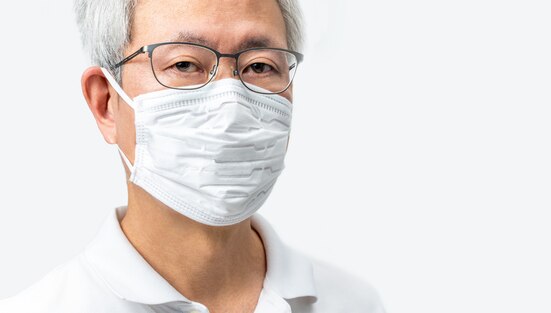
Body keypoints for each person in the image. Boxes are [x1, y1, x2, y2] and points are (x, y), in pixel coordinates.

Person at [0, 0, 385, 312]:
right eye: (183, 64)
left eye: (259, 66)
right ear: (105, 103)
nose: (230, 102)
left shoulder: (353, 303)